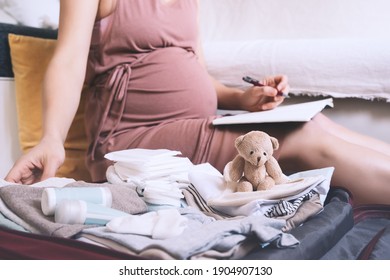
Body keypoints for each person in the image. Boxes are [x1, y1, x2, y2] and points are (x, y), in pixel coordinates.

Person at [4, 0, 390, 206]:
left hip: (199, 123)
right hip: (133, 143)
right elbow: (69, 59)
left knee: (315, 122)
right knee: (303, 137)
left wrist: (242, 98)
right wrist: (51, 137)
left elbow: (195, 70)